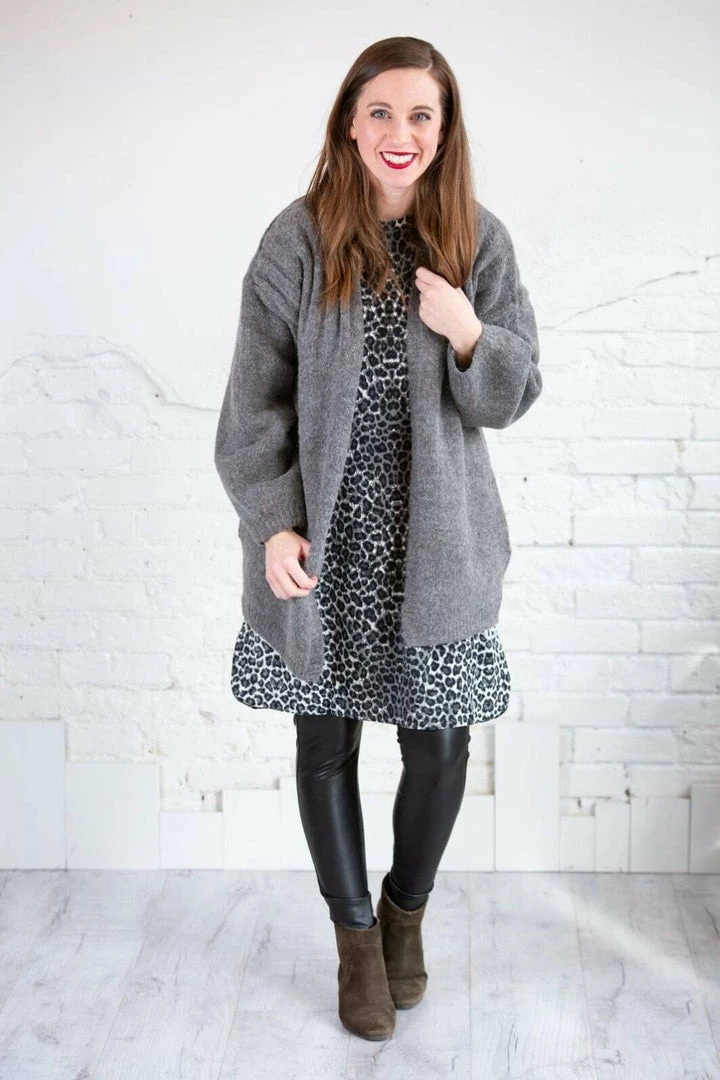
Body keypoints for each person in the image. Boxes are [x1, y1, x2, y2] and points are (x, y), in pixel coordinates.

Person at [214, 36, 542, 1041]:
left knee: (439, 744)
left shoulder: (476, 239)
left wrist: (467, 330)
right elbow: (253, 406)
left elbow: (513, 391)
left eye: (421, 115)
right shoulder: (298, 241)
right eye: (382, 112)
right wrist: (273, 523)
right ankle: (356, 942)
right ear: (350, 124)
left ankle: (405, 912)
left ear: (445, 130)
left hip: (437, 546)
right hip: (327, 547)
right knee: (327, 743)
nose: (402, 133)